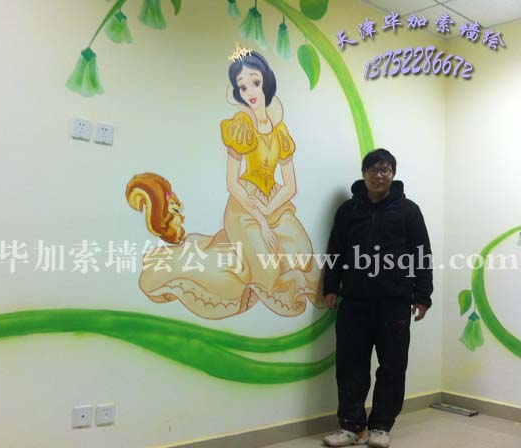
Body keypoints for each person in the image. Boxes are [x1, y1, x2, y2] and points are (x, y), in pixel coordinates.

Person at [136, 47, 322, 319]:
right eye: (242, 86)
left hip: (273, 204)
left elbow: (290, 186)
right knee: (267, 270)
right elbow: (232, 183)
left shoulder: (280, 131)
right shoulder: (240, 125)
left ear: (266, 82)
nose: (250, 91)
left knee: (302, 253)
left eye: (255, 82)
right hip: (244, 206)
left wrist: (269, 210)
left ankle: (238, 246)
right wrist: (260, 219)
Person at [321, 149, 433, 448]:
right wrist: (330, 287)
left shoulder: (409, 211)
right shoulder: (348, 210)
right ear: (364, 173)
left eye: (385, 170)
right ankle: (351, 426)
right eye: (373, 169)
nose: (379, 175)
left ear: (393, 174)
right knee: (350, 366)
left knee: (392, 366)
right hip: (354, 302)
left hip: (394, 302)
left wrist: (423, 296)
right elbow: (335, 250)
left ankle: (381, 427)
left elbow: (422, 254)